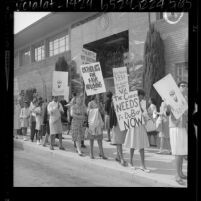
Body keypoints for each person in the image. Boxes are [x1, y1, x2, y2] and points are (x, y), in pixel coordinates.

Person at [166, 81, 188, 185]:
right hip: (175, 127)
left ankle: (180, 172)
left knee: (182, 152)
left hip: (183, 127)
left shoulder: (186, 99)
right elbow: (167, 113)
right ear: (178, 88)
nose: (184, 88)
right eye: (182, 86)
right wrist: (168, 107)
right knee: (177, 152)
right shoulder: (171, 98)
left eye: (186, 86)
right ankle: (177, 175)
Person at [124, 89, 150, 172]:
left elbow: (144, 113)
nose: (142, 97)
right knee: (132, 144)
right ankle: (131, 162)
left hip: (140, 125)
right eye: (141, 95)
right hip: (133, 126)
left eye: (143, 96)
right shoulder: (132, 103)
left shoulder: (142, 103)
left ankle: (143, 165)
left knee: (141, 145)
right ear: (138, 95)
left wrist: (144, 112)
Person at [87, 94, 107, 159]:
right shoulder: (90, 103)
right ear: (94, 96)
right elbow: (88, 112)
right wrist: (95, 110)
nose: (98, 96)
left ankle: (102, 153)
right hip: (92, 123)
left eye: (99, 95)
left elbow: (103, 112)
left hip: (98, 123)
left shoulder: (100, 103)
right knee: (91, 139)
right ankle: (91, 153)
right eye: (97, 95)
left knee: (100, 139)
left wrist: (101, 108)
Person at [110, 100, 127, 166]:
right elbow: (113, 110)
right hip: (117, 123)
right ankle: (121, 158)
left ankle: (118, 156)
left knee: (119, 141)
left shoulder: (124, 100)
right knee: (119, 141)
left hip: (122, 123)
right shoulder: (115, 101)